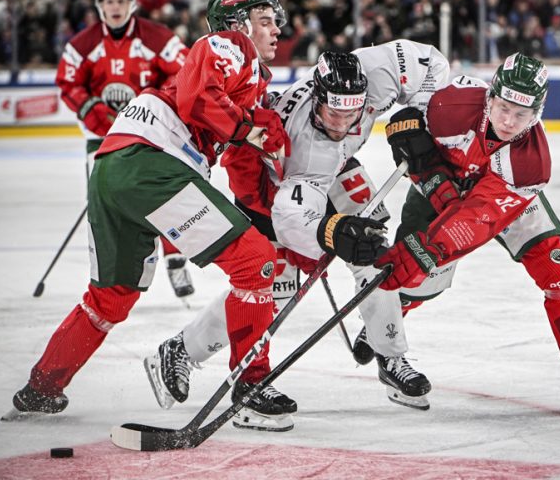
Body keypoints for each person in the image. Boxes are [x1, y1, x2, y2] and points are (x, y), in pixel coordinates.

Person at [4, 0, 294, 425]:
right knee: (257, 262)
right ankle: (251, 385)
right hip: (153, 161)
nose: (278, 30)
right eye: (267, 20)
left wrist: (265, 195)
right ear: (238, 24)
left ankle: (41, 389)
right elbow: (198, 99)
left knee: (109, 300)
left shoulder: (249, 79)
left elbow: (235, 150)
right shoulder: (230, 45)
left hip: (112, 166)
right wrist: (247, 129)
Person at [144, 40, 451, 427]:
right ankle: (182, 349)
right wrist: (334, 233)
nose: (341, 125)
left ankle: (389, 352)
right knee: (272, 287)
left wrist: (416, 116)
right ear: (318, 100)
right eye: (332, 115)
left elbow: (431, 62)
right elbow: (291, 218)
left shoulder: (375, 73)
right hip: (270, 182)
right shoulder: (306, 145)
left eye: (351, 115)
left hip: (334, 168)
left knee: (374, 249)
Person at [370, 52, 560, 413]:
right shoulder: (451, 104)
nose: (508, 122)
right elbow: (411, 121)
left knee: (558, 268)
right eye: (503, 108)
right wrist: (410, 137)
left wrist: (429, 248)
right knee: (413, 281)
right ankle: (387, 343)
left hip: (500, 196)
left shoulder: (531, 164)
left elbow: (480, 217)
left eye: (521, 115)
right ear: (490, 97)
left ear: (537, 114)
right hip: (443, 186)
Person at [55, 0, 195, 299]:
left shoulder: (157, 37)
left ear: (132, 3)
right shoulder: (83, 44)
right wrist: (89, 106)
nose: (115, 6)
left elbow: (186, 73)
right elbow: (67, 82)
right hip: (102, 137)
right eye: (108, 0)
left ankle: (175, 261)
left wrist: (157, 104)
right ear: (99, 4)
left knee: (164, 194)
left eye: (121, 0)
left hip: (147, 134)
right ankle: (111, 272)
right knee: (104, 204)